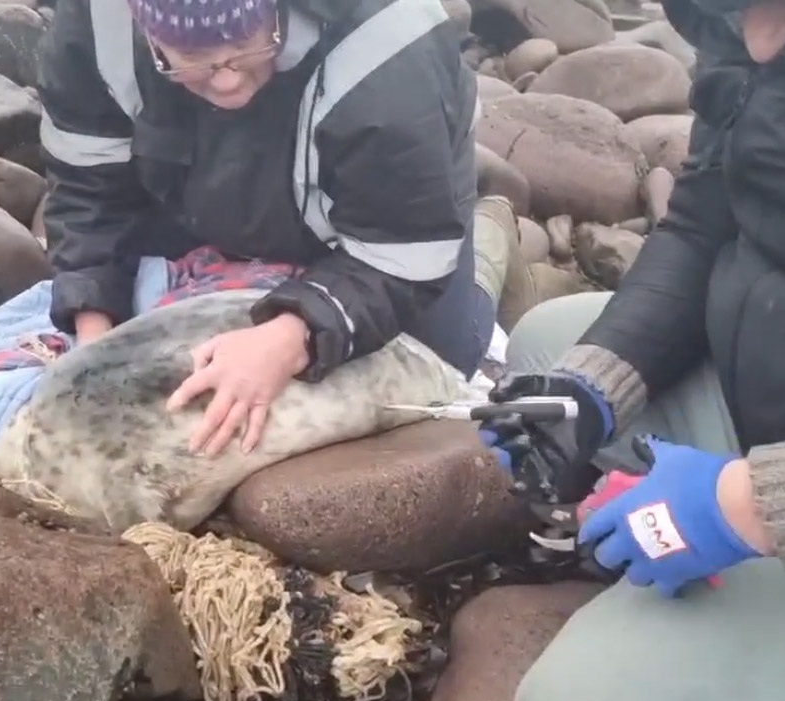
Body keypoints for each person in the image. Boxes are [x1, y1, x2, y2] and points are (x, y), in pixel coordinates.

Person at [479, 0, 785, 701]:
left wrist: (755, 503)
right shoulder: (743, 28)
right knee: (550, 348)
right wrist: (591, 389)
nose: (758, 43)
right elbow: (700, 223)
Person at [37, 0, 491, 459]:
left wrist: (291, 336)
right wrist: (93, 338)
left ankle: (493, 242)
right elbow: (87, 187)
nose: (227, 80)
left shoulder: (391, 48)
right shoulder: (97, 20)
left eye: (246, 44)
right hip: (195, 185)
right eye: (192, 57)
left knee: (444, 359)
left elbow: (401, 252)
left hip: (390, 219)